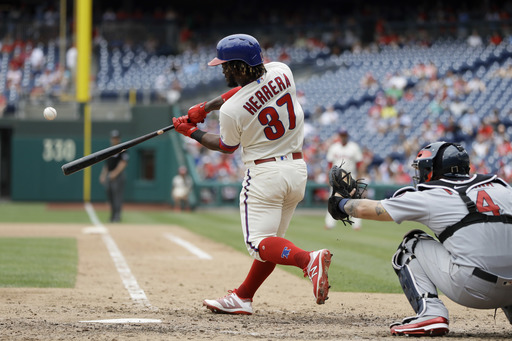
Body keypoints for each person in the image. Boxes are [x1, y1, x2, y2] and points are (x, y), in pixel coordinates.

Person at [172, 33, 332, 314]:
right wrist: (205, 107)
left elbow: (225, 146)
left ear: (239, 67)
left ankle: (308, 260)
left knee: (259, 244)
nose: (223, 69)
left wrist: (192, 131)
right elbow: (255, 89)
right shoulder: (283, 71)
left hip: (264, 174)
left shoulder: (232, 111)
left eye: (226, 65)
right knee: (272, 243)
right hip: (296, 170)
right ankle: (243, 297)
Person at [328, 141, 512, 336]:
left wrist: (340, 203)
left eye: (424, 168)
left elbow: (368, 209)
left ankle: (431, 313)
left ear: (434, 169)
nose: (421, 174)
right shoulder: (503, 187)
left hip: (473, 289)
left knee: (412, 242)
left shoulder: (431, 195)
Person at [325, 129, 363, 230]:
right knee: (332, 199)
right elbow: (329, 164)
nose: (343, 137)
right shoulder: (334, 147)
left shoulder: (354, 147)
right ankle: (329, 224)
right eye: (341, 135)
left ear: (347, 136)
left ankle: (356, 225)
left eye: (344, 135)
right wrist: (327, 177)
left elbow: (359, 164)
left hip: (350, 176)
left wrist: (359, 177)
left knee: (355, 200)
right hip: (336, 177)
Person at [99, 130, 129, 222]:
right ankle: (112, 216)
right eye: (113, 138)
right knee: (110, 196)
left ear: (119, 139)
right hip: (110, 175)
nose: (114, 140)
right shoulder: (109, 149)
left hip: (118, 176)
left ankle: (117, 216)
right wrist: (103, 175)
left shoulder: (122, 149)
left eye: (116, 138)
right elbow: (107, 164)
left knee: (117, 197)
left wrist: (115, 173)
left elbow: (123, 163)